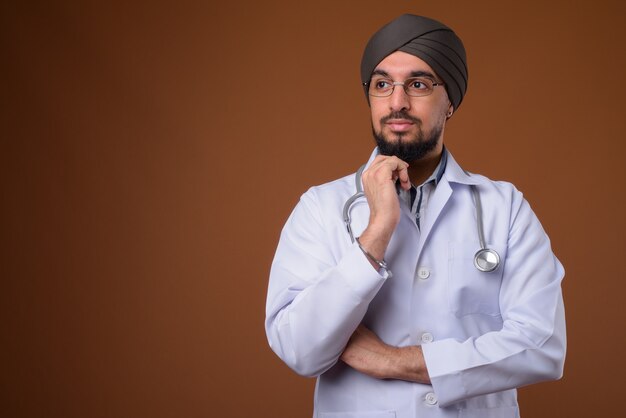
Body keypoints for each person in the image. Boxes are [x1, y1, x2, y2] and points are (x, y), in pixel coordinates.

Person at [265, 14, 566, 418]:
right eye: (382, 84)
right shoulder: (320, 208)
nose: (397, 102)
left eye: (419, 84)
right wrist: (377, 231)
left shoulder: (504, 208)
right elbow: (299, 349)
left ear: (451, 102)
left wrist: (394, 360)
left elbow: (542, 346)